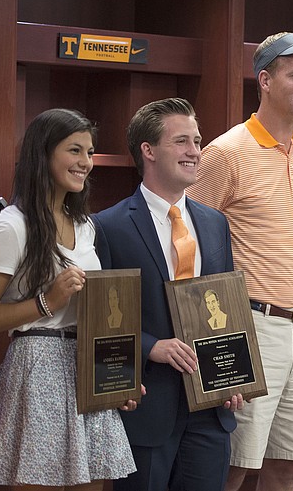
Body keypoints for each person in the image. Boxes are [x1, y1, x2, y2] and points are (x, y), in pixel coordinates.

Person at [186, 31, 293, 491]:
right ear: (265, 80)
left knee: (290, 461)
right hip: (247, 322)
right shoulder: (226, 152)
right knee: (235, 464)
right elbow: (190, 244)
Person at [0, 108, 138, 490]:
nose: (85, 163)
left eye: (91, 153)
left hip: (88, 368)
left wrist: (120, 379)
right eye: (74, 150)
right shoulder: (13, 226)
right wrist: (46, 301)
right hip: (37, 368)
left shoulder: (85, 224)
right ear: (43, 154)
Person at [93, 97, 243, 491]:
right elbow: (99, 319)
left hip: (211, 406)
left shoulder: (215, 224)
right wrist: (150, 346)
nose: (195, 151)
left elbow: (223, 304)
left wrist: (233, 375)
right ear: (149, 150)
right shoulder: (107, 226)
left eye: (197, 141)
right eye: (182, 142)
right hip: (146, 402)